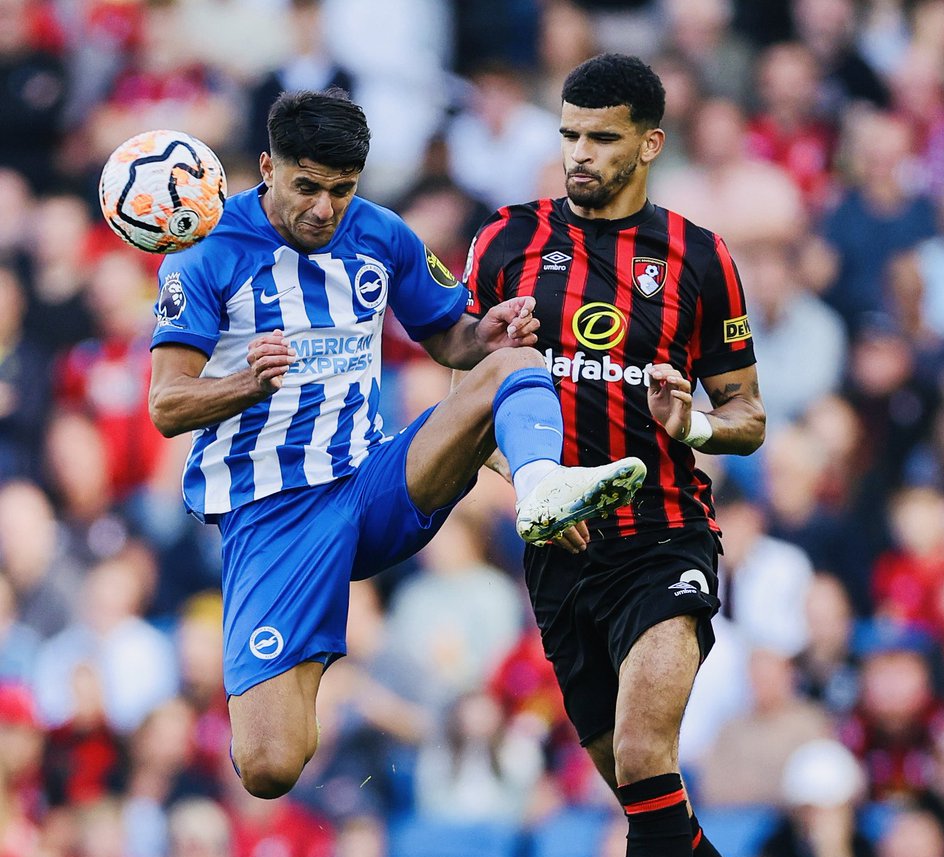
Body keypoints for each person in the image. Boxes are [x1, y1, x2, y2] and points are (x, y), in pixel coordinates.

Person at [465, 53, 841, 857]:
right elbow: (467, 404)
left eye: (600, 138)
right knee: (652, 805)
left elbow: (750, 416)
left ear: (649, 142)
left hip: (664, 535)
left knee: (642, 756)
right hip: (559, 556)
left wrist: (695, 426)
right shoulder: (505, 242)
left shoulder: (699, 259)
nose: (577, 155)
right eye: (568, 135)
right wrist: (523, 477)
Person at [146, 88, 646, 802]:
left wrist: (487, 332)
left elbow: (449, 336)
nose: (324, 208)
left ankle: (539, 485)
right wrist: (244, 387)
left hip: (373, 480)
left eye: (342, 190)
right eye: (308, 187)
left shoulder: (382, 235)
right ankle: (316, 650)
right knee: (270, 766)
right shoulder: (206, 256)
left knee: (515, 365)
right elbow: (168, 404)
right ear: (267, 167)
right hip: (274, 518)